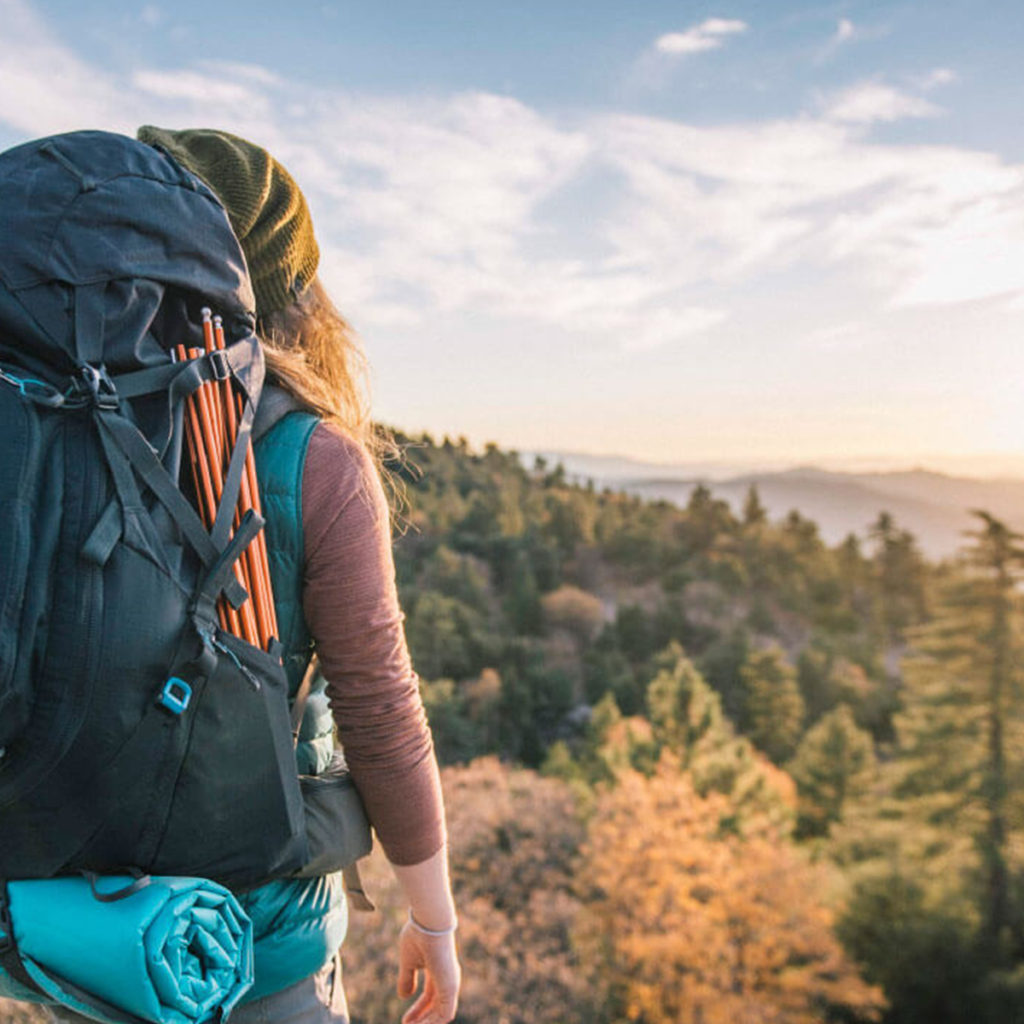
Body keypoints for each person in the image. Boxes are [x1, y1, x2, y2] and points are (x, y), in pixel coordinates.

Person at [129, 126, 463, 1024]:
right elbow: (379, 707)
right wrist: (432, 920)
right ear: (289, 293)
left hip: (86, 927)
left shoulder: (57, 423)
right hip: (254, 945)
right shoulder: (310, 458)